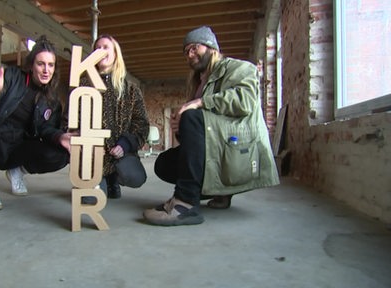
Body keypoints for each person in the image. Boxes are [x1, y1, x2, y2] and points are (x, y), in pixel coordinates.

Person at [143, 26, 280, 226]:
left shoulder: (239, 68)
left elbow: (245, 101)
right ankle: (222, 192)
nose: (189, 54)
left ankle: (186, 203)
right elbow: (201, 134)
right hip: (216, 147)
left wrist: (199, 103)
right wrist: (180, 129)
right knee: (164, 163)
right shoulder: (196, 82)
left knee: (191, 114)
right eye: (186, 51)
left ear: (212, 48)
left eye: (194, 48)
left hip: (239, 150)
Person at [0, 35, 74, 211]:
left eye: (50, 65)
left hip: (19, 149)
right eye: (41, 64)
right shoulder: (11, 76)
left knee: (61, 154)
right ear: (31, 65)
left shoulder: (52, 99)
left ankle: (17, 171)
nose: (46, 70)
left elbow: (47, 128)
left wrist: (59, 136)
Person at [74, 34, 149, 204]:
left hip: (119, 154)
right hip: (92, 156)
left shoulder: (131, 90)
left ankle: (113, 177)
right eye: (97, 48)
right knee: (90, 200)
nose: (101, 51)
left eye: (105, 47)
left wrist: (125, 144)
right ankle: (89, 180)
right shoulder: (83, 86)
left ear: (115, 54)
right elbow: (71, 121)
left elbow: (141, 124)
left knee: (135, 177)